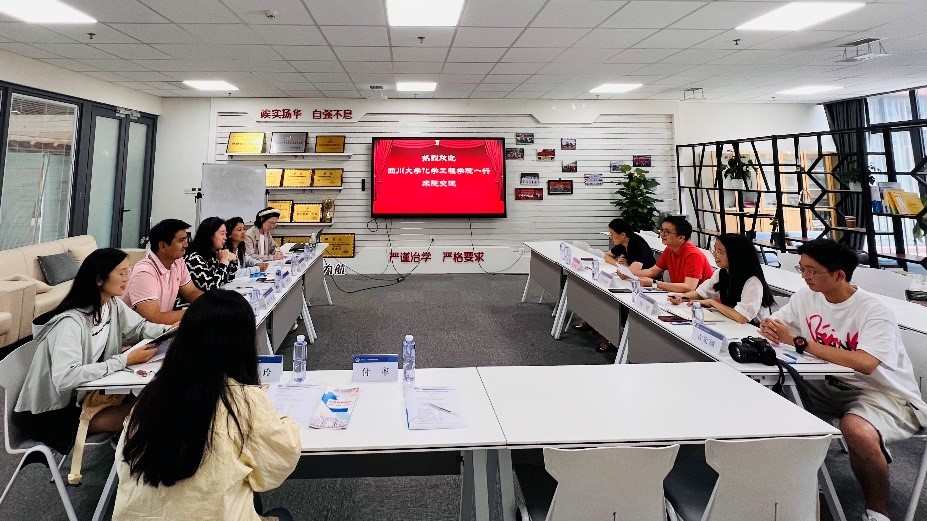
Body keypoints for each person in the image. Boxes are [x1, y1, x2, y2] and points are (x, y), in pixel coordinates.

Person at [758, 239, 927, 521]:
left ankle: (877, 512)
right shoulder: (806, 296)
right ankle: (787, 486)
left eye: (812, 271)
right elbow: (780, 325)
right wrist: (770, 327)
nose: (805, 276)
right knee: (771, 396)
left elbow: (865, 363)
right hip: (829, 383)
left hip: (883, 392)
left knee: (857, 431)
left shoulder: (873, 310)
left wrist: (800, 342)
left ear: (839, 275)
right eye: (802, 269)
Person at [114, 290, 300, 521]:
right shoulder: (243, 400)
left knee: (244, 492)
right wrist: (280, 418)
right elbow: (276, 465)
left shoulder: (149, 398)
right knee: (280, 513)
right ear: (242, 344)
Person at [13, 249, 172, 453]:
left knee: (156, 398)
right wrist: (124, 360)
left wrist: (170, 330)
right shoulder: (70, 323)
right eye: (121, 273)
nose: (127, 278)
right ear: (99, 280)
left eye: (128, 271)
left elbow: (140, 327)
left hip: (85, 397)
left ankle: (130, 452)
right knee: (154, 412)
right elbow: (66, 378)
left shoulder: (111, 305)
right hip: (55, 414)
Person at [576, 218, 658, 344]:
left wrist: (624, 268)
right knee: (599, 292)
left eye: (612, 234)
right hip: (630, 281)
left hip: (646, 284)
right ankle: (594, 323)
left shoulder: (637, 245)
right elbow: (607, 255)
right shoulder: (622, 244)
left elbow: (633, 272)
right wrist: (617, 264)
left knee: (613, 298)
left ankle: (613, 336)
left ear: (623, 234)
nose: (611, 237)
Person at [667, 233, 775, 324]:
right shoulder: (721, 273)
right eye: (715, 250)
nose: (715, 255)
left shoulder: (752, 281)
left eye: (720, 252)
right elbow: (701, 293)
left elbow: (742, 317)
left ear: (735, 255)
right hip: (732, 324)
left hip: (753, 330)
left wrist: (712, 303)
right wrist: (682, 297)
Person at [124, 219, 203, 325]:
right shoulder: (144, 272)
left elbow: (191, 292)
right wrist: (198, 312)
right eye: (181, 240)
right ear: (162, 246)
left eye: (186, 239)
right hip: (140, 333)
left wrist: (211, 303)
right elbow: (154, 318)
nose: (186, 245)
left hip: (160, 328)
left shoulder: (178, 262)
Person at [625, 215, 713, 293]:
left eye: (667, 232)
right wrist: (628, 273)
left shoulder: (693, 255)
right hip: (680, 296)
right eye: (662, 230)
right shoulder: (669, 249)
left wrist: (655, 283)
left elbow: (689, 287)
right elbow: (653, 271)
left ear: (681, 238)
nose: (662, 234)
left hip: (699, 300)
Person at [185, 217, 238, 292]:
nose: (225, 238)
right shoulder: (194, 259)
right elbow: (211, 288)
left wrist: (233, 261)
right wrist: (223, 263)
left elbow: (229, 279)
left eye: (225, 234)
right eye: (222, 234)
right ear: (209, 235)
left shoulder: (214, 254)